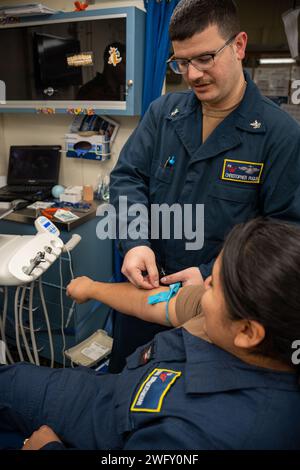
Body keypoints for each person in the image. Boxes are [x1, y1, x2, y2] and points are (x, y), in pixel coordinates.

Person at [109, 0, 300, 371]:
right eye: (182, 62)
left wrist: (214, 273)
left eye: (206, 58)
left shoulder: (280, 135)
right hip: (146, 295)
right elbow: (127, 178)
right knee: (124, 383)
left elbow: (287, 233)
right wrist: (135, 243)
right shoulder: (163, 113)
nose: (193, 74)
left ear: (239, 45)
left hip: (217, 311)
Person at [1, 218, 300, 450]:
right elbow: (156, 302)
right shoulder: (252, 317)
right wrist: (92, 288)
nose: (202, 282)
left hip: (105, 427)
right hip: (111, 390)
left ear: (248, 332)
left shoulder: (200, 435)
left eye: (213, 284)